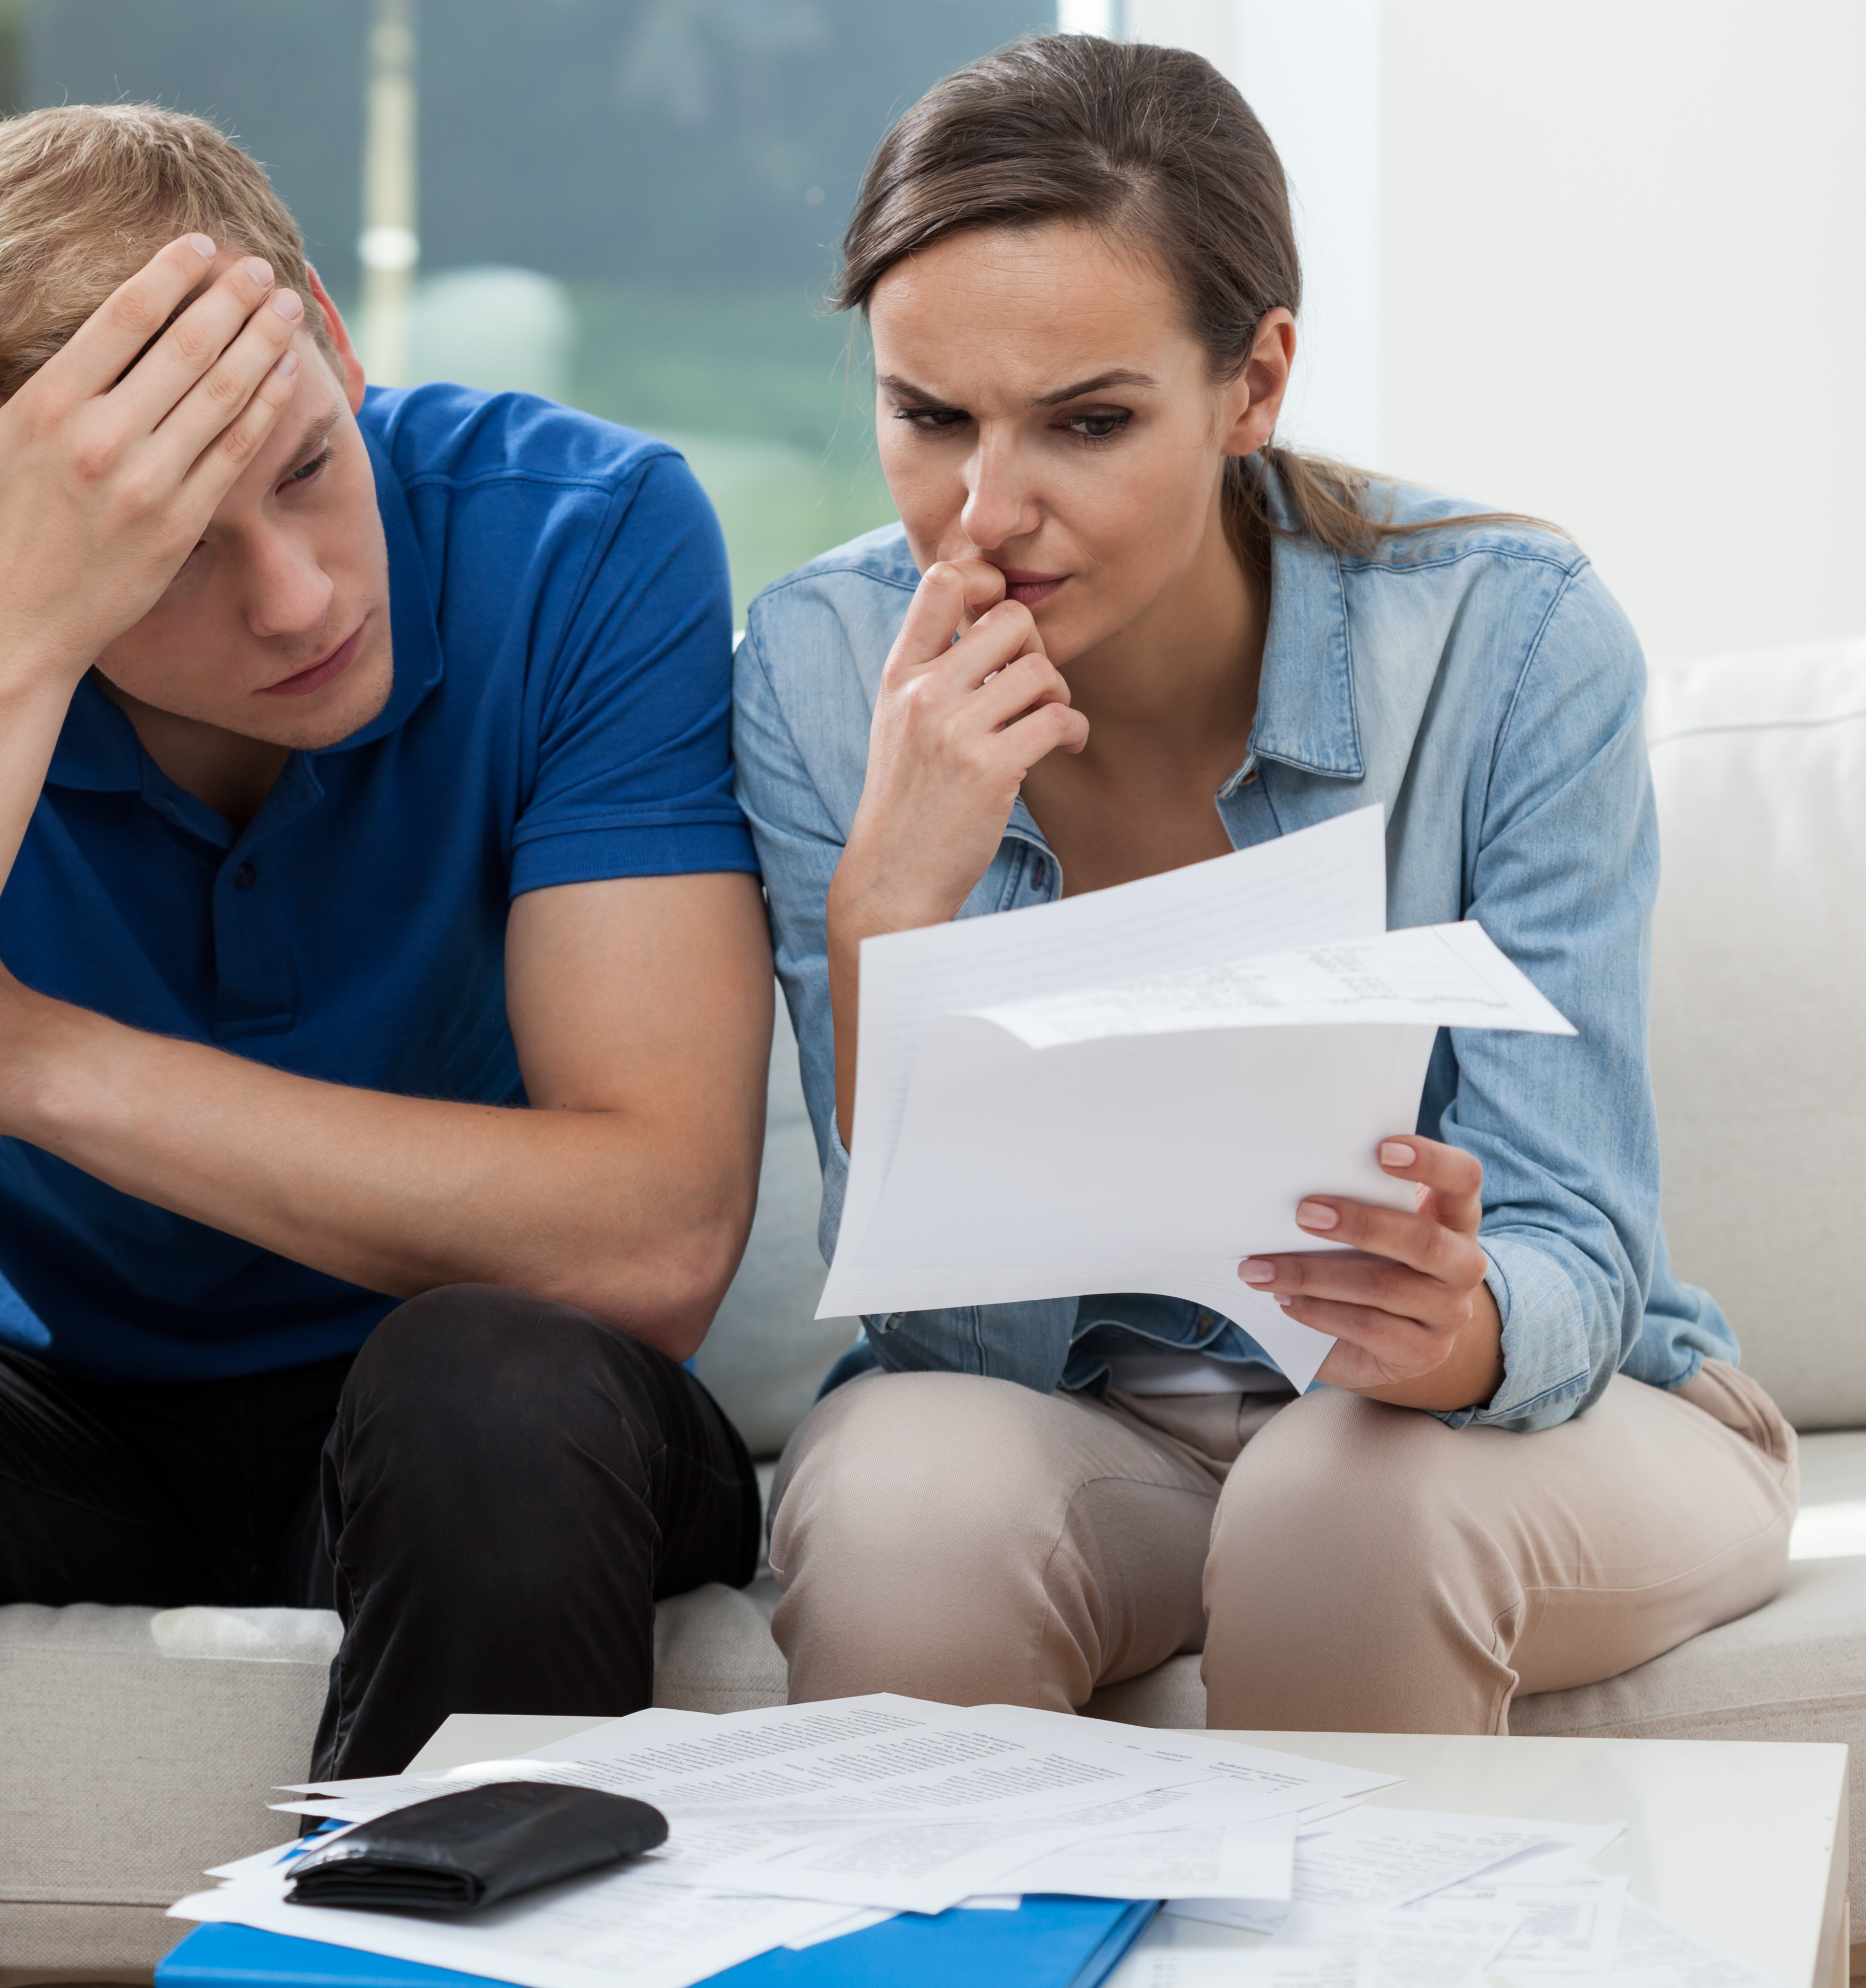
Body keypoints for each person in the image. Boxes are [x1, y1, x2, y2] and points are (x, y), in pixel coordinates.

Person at [0, 104, 771, 1986]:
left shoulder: (586, 536)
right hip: (40, 1417)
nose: (301, 596)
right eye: (154, 559)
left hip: (468, 1406)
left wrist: (22, 1053)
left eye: (307, 468)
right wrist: (0, 639)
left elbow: (652, 1238)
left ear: (331, 325)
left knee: (501, 1381)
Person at [736, 35, 1799, 1734]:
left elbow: (1577, 1247)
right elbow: (930, 1303)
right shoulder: (818, 665)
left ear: (1255, 382)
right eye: (929, 417)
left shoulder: (1507, 638)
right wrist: (890, 908)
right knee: (901, 1513)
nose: (986, 514)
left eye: (1088, 422)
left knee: (1335, 1503)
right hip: (1074, 1420)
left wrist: (1442, 1331)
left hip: (1502, 1423)